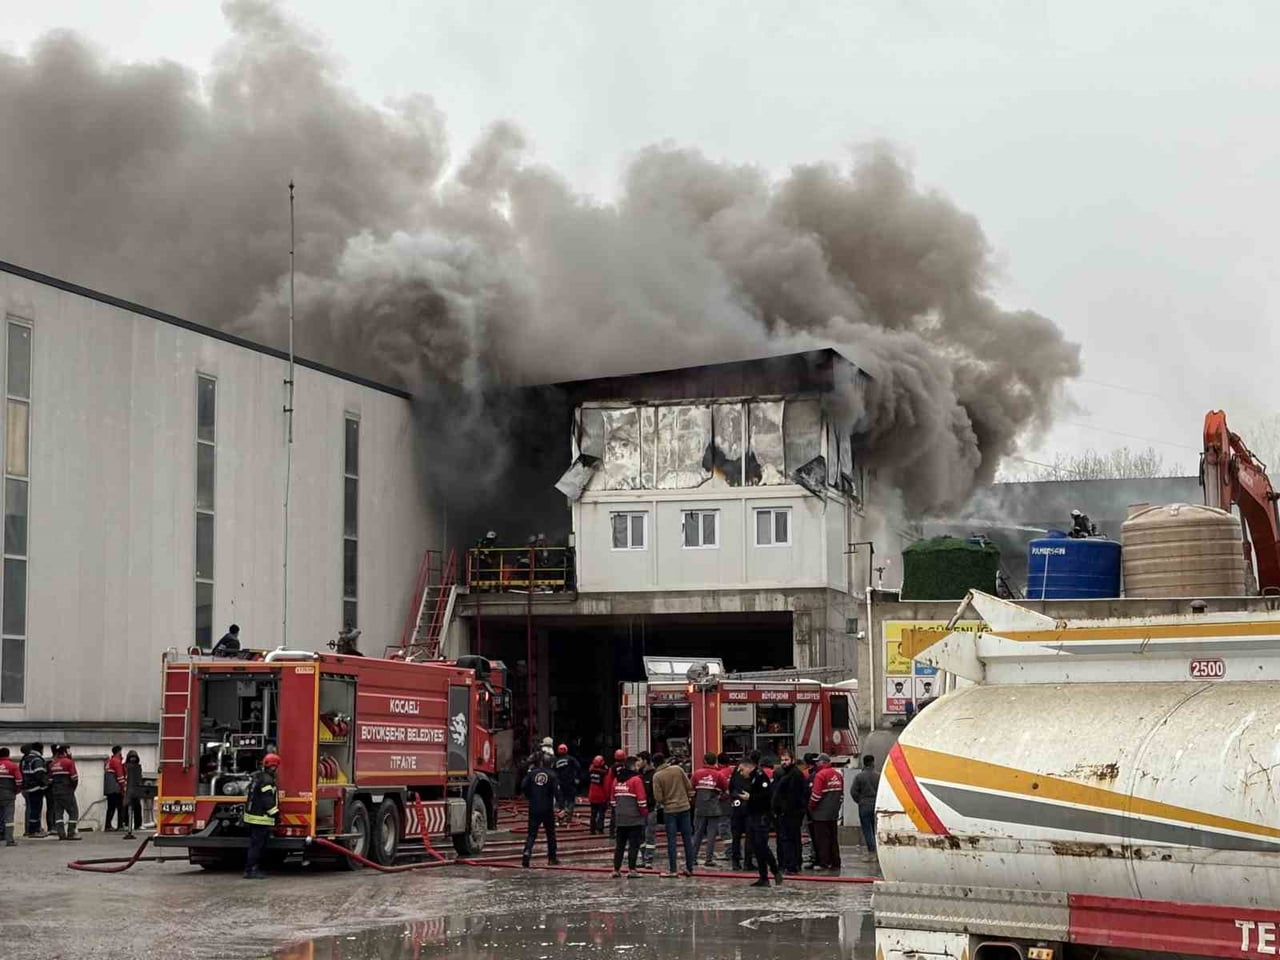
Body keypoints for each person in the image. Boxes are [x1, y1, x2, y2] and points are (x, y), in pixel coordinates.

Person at [741, 751, 782, 888]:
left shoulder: (760, 777)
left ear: (749, 767)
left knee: (761, 846)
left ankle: (775, 870)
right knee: (756, 847)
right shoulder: (752, 778)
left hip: (761, 817)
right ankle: (763, 877)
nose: (741, 772)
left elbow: (766, 796)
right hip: (753, 816)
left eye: (742, 769)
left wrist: (750, 798)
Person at [652, 753, 695, 877]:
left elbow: (658, 798)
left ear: (655, 763)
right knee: (687, 839)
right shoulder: (678, 769)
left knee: (672, 841)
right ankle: (690, 868)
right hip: (684, 808)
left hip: (670, 811)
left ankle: (673, 869)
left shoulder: (657, 776)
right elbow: (688, 786)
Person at [242, 753, 281, 879]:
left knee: (257, 845)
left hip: (253, 817)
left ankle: (254, 868)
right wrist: (275, 814)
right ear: (274, 767)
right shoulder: (267, 780)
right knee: (257, 846)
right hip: (260, 819)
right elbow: (267, 800)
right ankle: (250, 870)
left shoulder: (258, 777)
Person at [610, 756, 648, 877]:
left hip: (620, 818)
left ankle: (616, 869)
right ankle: (632, 870)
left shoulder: (616, 780)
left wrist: (618, 812)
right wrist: (644, 814)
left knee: (619, 846)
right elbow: (642, 800)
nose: (638, 768)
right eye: (637, 765)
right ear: (633, 766)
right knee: (634, 845)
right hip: (634, 819)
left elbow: (612, 801)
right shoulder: (636, 780)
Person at [520, 754, 560, 868]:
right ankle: (552, 858)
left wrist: (530, 796)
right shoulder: (552, 775)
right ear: (551, 764)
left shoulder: (532, 773)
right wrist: (561, 806)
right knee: (550, 834)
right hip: (547, 808)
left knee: (532, 833)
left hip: (534, 807)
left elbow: (523, 785)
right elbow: (557, 792)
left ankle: (527, 852)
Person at [771, 751, 808, 873]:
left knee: (790, 839)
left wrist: (784, 810)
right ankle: (789, 863)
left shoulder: (795, 775)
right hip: (785, 813)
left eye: (786, 760)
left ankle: (792, 864)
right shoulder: (784, 774)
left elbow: (793, 796)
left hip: (791, 813)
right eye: (782, 760)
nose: (784, 762)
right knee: (787, 839)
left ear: (792, 760)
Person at [690, 752, 728, 866]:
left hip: (700, 808)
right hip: (714, 809)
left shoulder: (696, 774)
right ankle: (709, 859)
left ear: (704, 761)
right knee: (711, 835)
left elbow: (691, 790)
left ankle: (693, 858)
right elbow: (726, 790)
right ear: (715, 761)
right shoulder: (719, 775)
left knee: (697, 834)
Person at [808, 753, 844, 872]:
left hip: (820, 814)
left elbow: (816, 795)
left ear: (823, 762)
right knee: (833, 839)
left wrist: (811, 807)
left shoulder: (820, 775)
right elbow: (841, 795)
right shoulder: (838, 775)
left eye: (818, 761)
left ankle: (824, 863)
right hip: (833, 814)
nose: (816, 764)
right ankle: (835, 862)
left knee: (822, 840)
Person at [48, 745, 81, 841]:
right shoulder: (69, 762)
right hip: (67, 791)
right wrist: (72, 789)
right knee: (73, 812)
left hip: (56, 792)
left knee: (58, 813)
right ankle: (71, 833)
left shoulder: (52, 764)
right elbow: (74, 778)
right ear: (65, 752)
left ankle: (61, 833)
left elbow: (50, 780)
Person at [729, 756, 755, 872]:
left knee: (737, 836)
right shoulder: (753, 775)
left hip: (737, 806)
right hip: (747, 807)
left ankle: (736, 862)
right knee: (748, 836)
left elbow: (730, 788)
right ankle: (747, 863)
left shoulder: (735, 773)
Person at [850, 754, 880, 854]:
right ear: (873, 762)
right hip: (876, 804)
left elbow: (853, 792)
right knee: (875, 827)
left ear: (864, 763)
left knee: (867, 828)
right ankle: (878, 848)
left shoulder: (859, 776)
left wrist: (860, 800)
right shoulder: (878, 776)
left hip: (864, 805)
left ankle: (871, 849)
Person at [19, 742, 47, 838]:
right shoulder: (37, 760)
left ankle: (31, 830)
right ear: (40, 749)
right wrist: (45, 785)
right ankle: (35, 830)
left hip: (26, 788)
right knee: (36, 810)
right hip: (36, 788)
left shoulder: (24, 759)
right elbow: (39, 775)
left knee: (31, 810)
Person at [553, 744, 581, 823]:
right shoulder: (571, 759)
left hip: (561, 784)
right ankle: (568, 817)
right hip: (570, 783)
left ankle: (561, 818)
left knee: (561, 801)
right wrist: (577, 778)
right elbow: (578, 767)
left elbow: (553, 772)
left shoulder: (556, 761)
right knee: (570, 801)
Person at [0, 747, 22, 847]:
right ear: (8, 755)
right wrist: (16, 791)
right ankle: (9, 840)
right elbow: (19, 781)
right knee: (9, 818)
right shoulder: (13, 766)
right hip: (8, 795)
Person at [604, 748, 627, 838]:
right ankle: (623, 831)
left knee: (614, 814)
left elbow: (608, 782)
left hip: (616, 793)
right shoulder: (626, 767)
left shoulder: (612, 769)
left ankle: (612, 832)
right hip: (625, 792)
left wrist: (608, 796)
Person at [102, 745, 126, 831]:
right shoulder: (116, 761)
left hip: (108, 788)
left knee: (110, 807)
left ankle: (108, 825)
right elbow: (120, 776)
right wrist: (123, 788)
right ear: (119, 752)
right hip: (115, 789)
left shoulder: (109, 761)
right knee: (120, 807)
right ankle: (120, 826)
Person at [122, 750, 144, 841]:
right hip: (129, 789)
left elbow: (140, 778)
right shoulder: (126, 767)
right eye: (131, 757)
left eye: (134, 757)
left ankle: (136, 824)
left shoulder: (136, 767)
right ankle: (127, 824)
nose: (133, 759)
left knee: (137, 807)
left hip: (135, 789)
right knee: (128, 807)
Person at [802, 752, 820, 868]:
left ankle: (815, 857)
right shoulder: (817, 773)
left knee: (813, 835)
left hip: (810, 809)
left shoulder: (807, 774)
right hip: (819, 810)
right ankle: (817, 857)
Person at [586, 755, 610, 834]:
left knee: (593, 813)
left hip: (592, 795)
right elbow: (606, 785)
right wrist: (608, 797)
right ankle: (600, 829)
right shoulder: (604, 773)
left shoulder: (591, 770)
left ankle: (592, 829)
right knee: (601, 813)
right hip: (601, 796)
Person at [716, 752, 734, 845]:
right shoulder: (734, 771)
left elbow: (718, 791)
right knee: (732, 827)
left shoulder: (719, 774)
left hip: (724, 804)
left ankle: (729, 852)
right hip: (735, 803)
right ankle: (735, 851)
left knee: (724, 828)